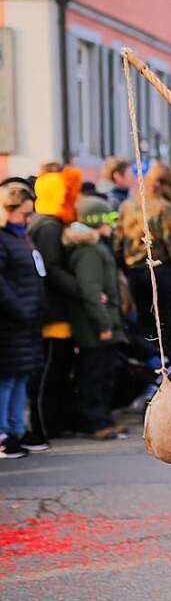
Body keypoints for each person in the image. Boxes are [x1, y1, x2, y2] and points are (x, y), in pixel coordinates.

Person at [25, 166, 83, 447]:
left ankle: (53, 422)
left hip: (53, 309)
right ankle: (44, 425)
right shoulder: (47, 226)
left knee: (57, 369)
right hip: (53, 312)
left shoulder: (43, 223)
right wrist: (79, 288)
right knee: (51, 370)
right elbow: (51, 268)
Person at [114, 162, 171, 379]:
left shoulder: (128, 206)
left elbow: (118, 242)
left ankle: (150, 369)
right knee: (161, 323)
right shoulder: (167, 208)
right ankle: (163, 370)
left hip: (134, 271)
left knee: (142, 324)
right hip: (161, 270)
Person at [64, 196, 125, 439]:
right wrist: (104, 325)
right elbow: (91, 291)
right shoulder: (90, 251)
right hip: (95, 328)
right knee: (94, 375)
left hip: (105, 323)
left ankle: (104, 417)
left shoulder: (98, 246)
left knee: (105, 373)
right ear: (97, 221)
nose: (112, 224)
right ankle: (94, 421)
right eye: (109, 219)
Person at [0, 179, 46, 458]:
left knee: (20, 377)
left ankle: (16, 430)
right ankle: (4, 433)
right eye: (24, 214)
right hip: (11, 320)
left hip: (26, 318)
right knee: (6, 379)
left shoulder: (21, 237)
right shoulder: (4, 239)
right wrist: (19, 308)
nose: (27, 220)